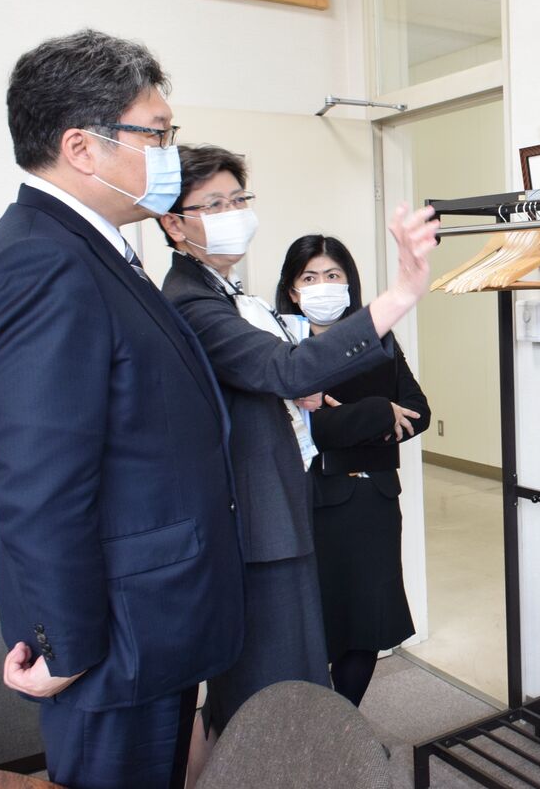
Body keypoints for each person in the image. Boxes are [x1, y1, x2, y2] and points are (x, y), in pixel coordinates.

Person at [0, 30, 246, 789]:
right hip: (112, 635)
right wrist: (66, 643)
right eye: (156, 134)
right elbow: (40, 478)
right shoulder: (41, 260)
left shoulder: (95, 248)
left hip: (151, 614)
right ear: (81, 147)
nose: (170, 154)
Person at [155, 146, 436, 742]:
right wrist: (402, 293)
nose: (233, 214)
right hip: (270, 514)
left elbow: (412, 411)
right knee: (271, 695)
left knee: (294, 675)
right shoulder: (194, 300)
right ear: (174, 224)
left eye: (238, 200)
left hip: (323, 504)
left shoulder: (227, 294)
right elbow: (287, 372)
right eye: (214, 204)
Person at [276, 235, 430, 706]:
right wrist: (379, 412)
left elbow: (419, 412)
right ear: (293, 290)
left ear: (349, 283)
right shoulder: (282, 348)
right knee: (318, 626)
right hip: (314, 503)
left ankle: (342, 723)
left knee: (366, 625)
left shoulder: (376, 340)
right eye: (310, 277)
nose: (322, 285)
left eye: (333, 275)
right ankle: (313, 728)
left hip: (374, 501)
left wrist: (345, 418)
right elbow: (305, 432)